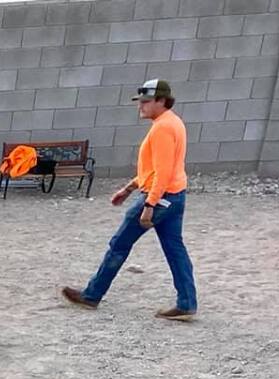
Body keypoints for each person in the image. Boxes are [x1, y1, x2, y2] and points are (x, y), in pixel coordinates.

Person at [63, 79, 196, 321]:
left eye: (146, 102)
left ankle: (92, 295)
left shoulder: (163, 128)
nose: (141, 106)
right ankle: (187, 302)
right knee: (175, 250)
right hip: (175, 196)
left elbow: (162, 172)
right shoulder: (172, 122)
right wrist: (129, 188)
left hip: (161, 197)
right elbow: (156, 170)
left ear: (161, 101)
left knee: (119, 244)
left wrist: (149, 205)